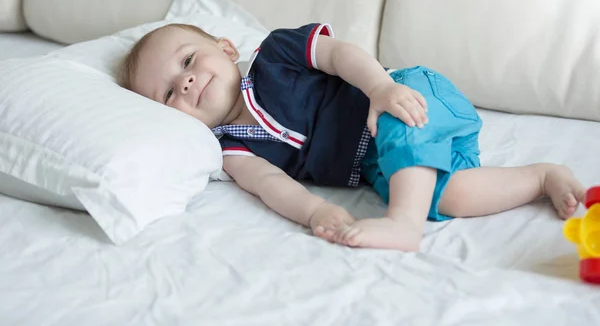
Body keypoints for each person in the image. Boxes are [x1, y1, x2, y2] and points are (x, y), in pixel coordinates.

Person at [119, 22, 586, 251]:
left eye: (187, 62)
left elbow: (340, 55)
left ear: (225, 48)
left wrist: (382, 87)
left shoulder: (275, 55)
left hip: (410, 98)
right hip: (392, 168)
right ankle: (542, 176)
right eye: (166, 94)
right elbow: (271, 185)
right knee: (449, 197)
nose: (184, 83)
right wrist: (317, 210)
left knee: (398, 135)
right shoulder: (229, 149)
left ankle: (404, 226)